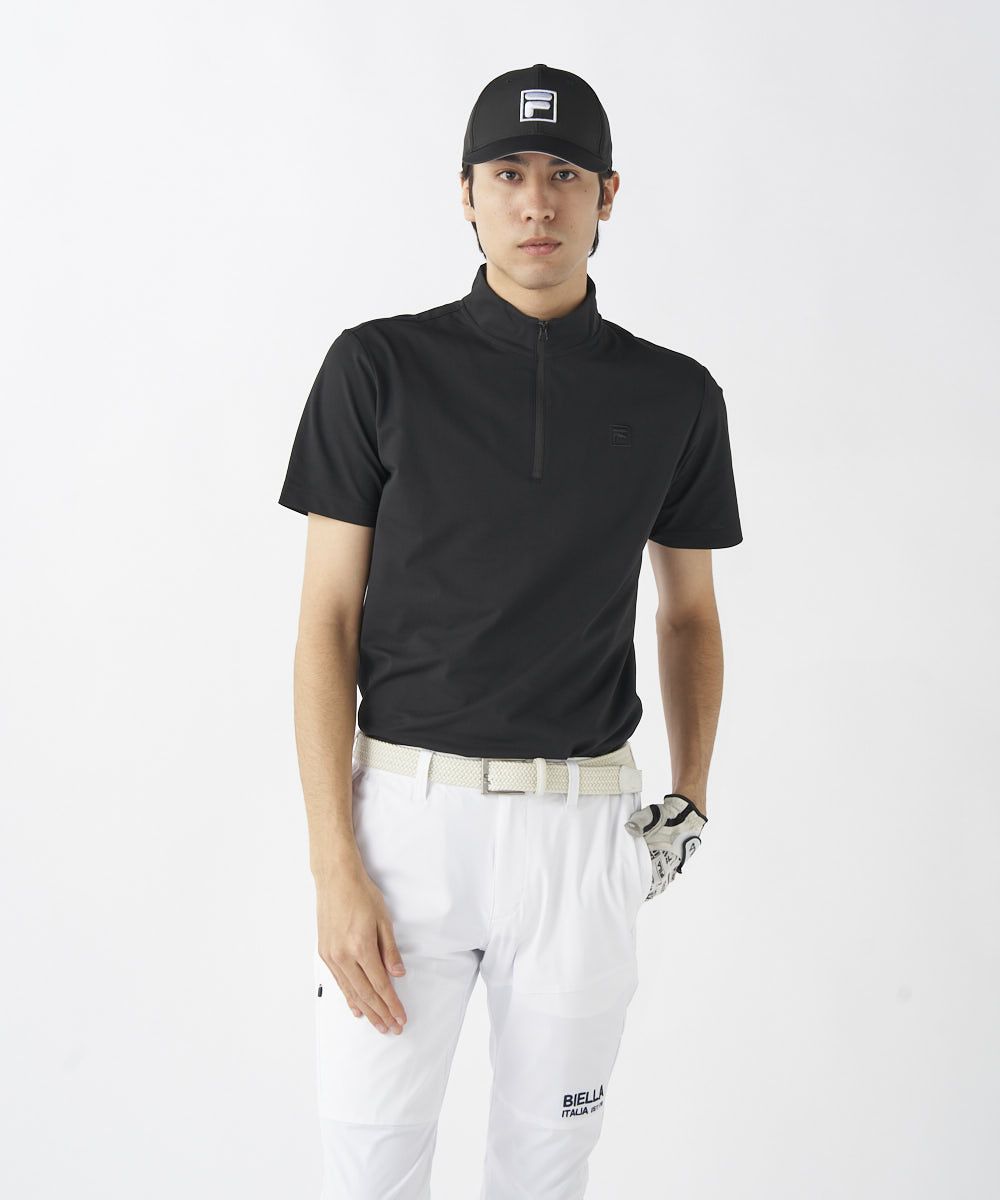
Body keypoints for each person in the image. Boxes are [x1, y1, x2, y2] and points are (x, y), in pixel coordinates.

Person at [278, 62, 743, 1200]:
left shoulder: (676, 396)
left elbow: (688, 613)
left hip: (581, 834)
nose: (537, 201)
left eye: (565, 174)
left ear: (608, 195)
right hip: (404, 827)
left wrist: (689, 797)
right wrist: (334, 861)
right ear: (468, 193)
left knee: (547, 1172)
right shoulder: (377, 367)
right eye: (508, 173)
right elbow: (326, 620)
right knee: (369, 1169)